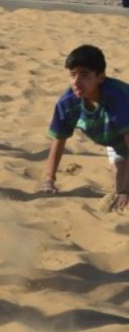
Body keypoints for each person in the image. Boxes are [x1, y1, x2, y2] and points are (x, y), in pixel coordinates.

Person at [39, 45, 129, 213]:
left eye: (85, 75)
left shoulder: (118, 98)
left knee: (124, 192)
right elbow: (58, 142)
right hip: (117, 144)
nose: (76, 82)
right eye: (73, 75)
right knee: (120, 191)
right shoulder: (66, 104)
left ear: (101, 77)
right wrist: (48, 181)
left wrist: (125, 191)